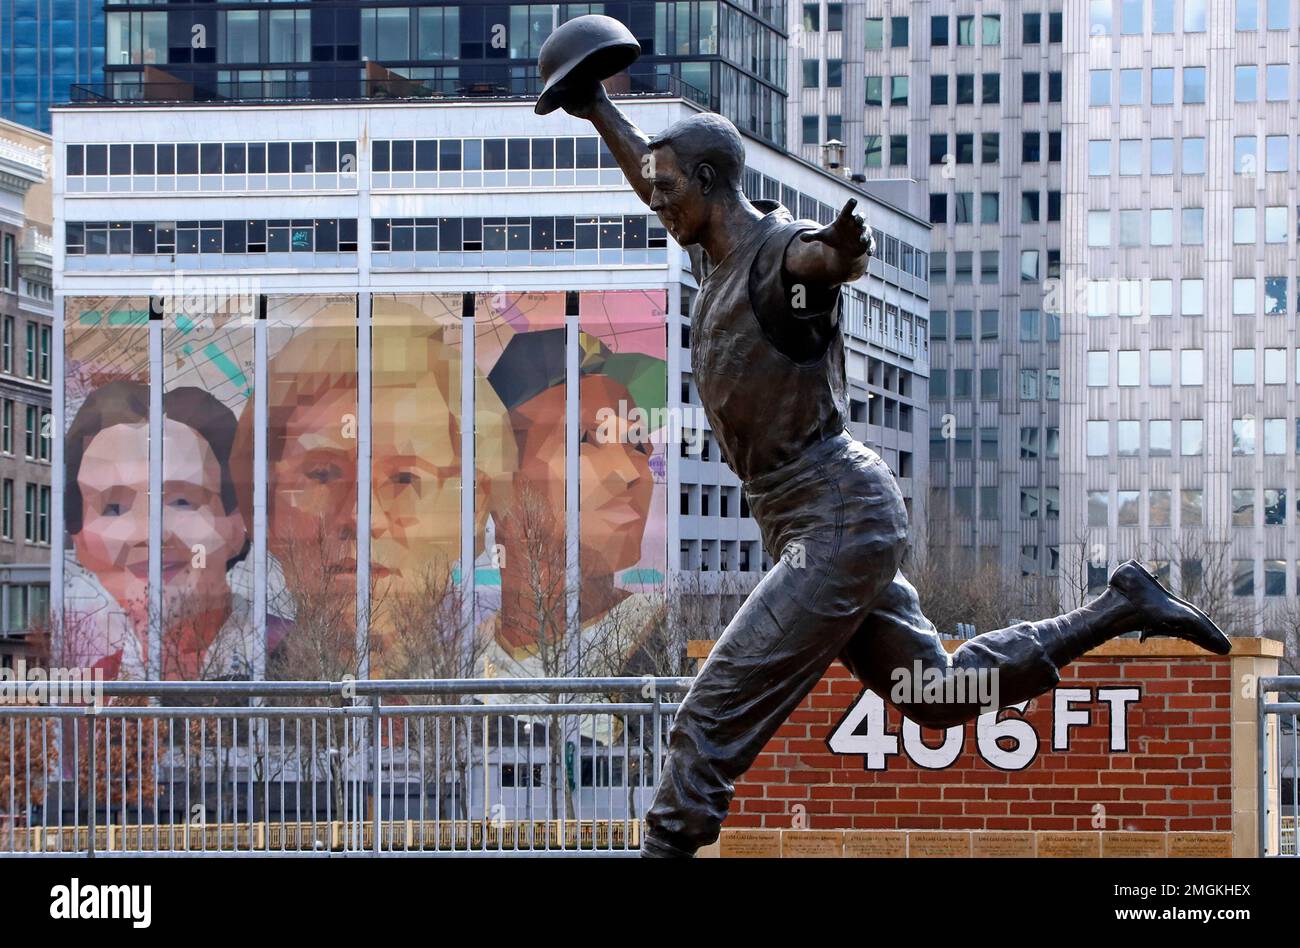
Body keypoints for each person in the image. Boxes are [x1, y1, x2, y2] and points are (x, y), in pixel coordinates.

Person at [560, 83, 1232, 858]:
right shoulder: (712, 254)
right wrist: (593, 107)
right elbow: (652, 171)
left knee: (706, 724)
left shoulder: (781, 258)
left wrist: (844, 253)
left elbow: (823, 261)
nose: (655, 199)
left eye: (668, 188)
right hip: (825, 523)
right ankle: (1120, 605)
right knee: (936, 695)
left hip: (835, 517)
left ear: (709, 185)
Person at [64, 380, 252, 679]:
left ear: (236, 523)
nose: (149, 533)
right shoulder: (89, 693)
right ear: (81, 540)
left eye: (182, 501)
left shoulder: (294, 666)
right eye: (114, 508)